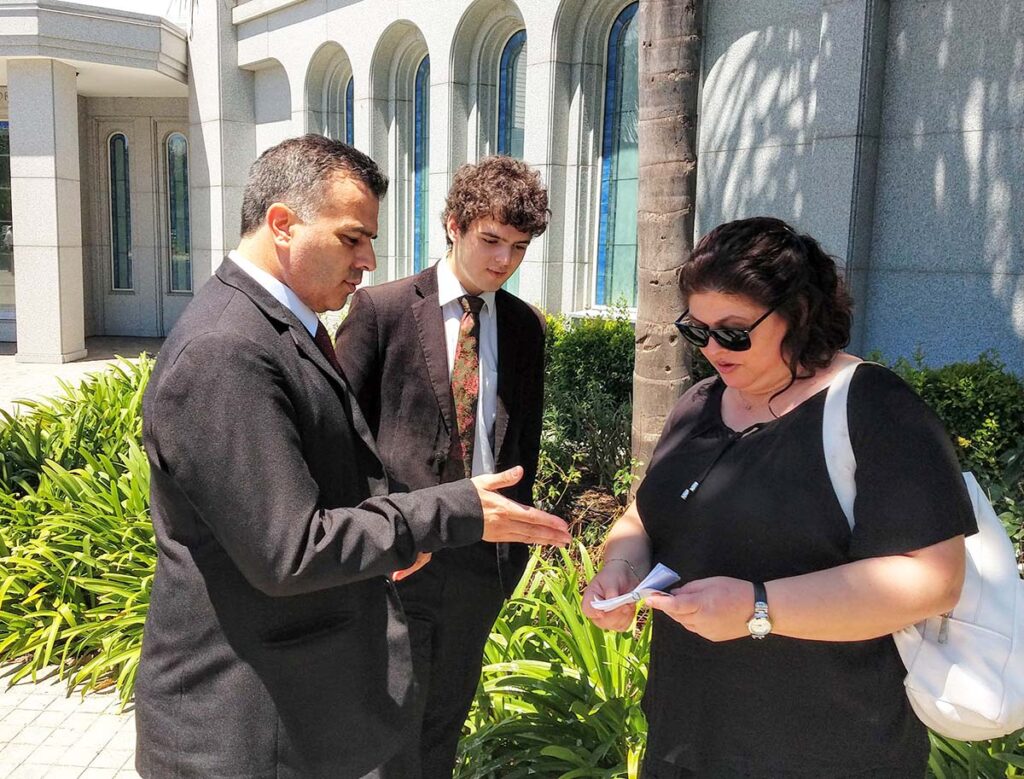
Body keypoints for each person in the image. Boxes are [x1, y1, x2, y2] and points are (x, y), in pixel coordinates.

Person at [135, 135, 570, 779]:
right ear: (283, 224)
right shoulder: (227, 350)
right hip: (243, 727)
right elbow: (290, 550)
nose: (369, 258)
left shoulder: (282, 325)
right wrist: (440, 515)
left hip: (293, 692)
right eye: (351, 238)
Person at [581, 216, 977, 778]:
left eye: (735, 331)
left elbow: (933, 579)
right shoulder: (698, 402)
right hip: (685, 737)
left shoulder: (874, 407)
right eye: (697, 331)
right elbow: (643, 515)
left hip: (826, 749)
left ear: (799, 313)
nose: (714, 348)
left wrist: (757, 608)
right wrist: (619, 570)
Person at [335, 155, 549, 778]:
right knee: (389, 723)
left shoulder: (524, 327)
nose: (502, 261)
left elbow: (523, 445)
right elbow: (343, 436)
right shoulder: (384, 309)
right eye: (490, 240)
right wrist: (376, 541)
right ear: (453, 225)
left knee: (444, 722)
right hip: (401, 552)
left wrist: (511, 559)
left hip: (481, 559)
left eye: (517, 247)